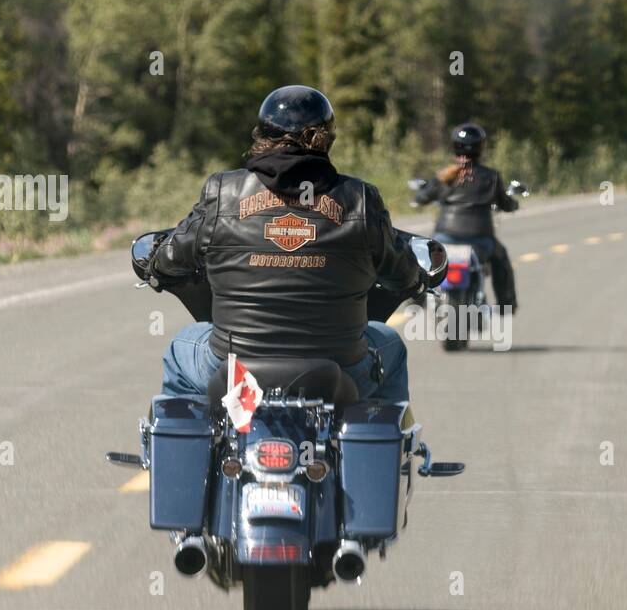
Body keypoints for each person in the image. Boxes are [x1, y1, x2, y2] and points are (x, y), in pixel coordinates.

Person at [150, 85, 425, 401]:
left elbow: (170, 259)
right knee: (390, 342)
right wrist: (416, 276)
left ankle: (190, 446)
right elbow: (403, 274)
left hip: (234, 366)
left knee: (181, 346)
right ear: (327, 139)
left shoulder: (222, 192)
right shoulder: (360, 199)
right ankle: (376, 445)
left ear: (261, 135)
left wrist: (155, 260)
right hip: (341, 366)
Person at [411, 123, 519, 312]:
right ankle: (506, 304)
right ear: (480, 147)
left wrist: (420, 197)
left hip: (445, 237)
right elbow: (506, 203)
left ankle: (416, 298)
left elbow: (422, 197)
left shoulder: (444, 176)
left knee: (423, 261)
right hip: (480, 240)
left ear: (455, 146)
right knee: (501, 258)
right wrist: (513, 204)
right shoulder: (490, 176)